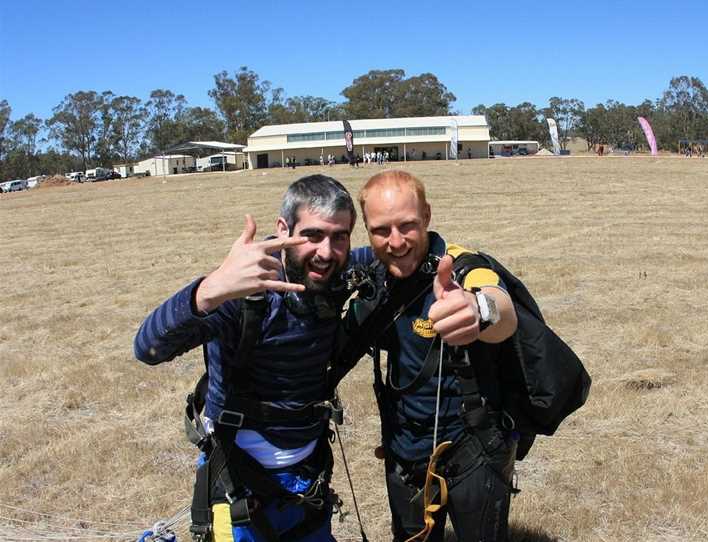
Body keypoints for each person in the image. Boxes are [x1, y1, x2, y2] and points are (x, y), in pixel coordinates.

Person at [134, 175, 357, 542]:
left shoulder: (336, 274)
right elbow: (147, 348)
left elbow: (412, 257)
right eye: (312, 235)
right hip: (237, 483)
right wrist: (211, 290)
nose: (326, 251)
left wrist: (483, 298)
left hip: (308, 477)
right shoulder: (241, 292)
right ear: (283, 229)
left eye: (340, 236)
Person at [350, 170, 519, 541]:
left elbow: (501, 310)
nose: (396, 242)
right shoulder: (373, 274)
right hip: (405, 452)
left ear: (426, 216)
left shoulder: (460, 266)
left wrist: (478, 310)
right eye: (381, 230)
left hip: (471, 448)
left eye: (407, 226)